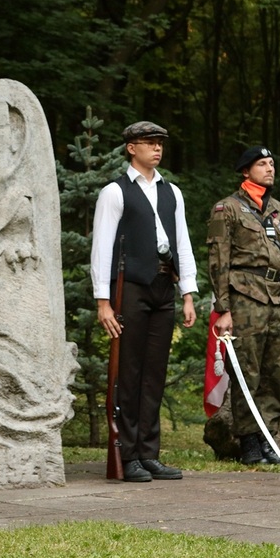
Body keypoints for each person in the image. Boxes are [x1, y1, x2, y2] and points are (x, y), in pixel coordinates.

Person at [90, 121, 198, 483]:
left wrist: (188, 292)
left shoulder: (172, 192)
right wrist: (102, 301)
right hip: (130, 287)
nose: (157, 149)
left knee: (154, 373)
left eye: (160, 143)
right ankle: (128, 452)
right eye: (149, 143)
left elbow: (182, 240)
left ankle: (149, 453)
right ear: (131, 148)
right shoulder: (115, 192)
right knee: (130, 371)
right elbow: (102, 248)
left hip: (163, 286)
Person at [206, 145, 280, 465]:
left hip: (277, 297)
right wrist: (223, 309)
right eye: (262, 164)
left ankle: (267, 439)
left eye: (272, 163)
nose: (270, 168)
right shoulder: (228, 209)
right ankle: (248, 442)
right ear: (246, 171)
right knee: (246, 371)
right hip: (244, 296)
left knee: (275, 373)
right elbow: (218, 259)